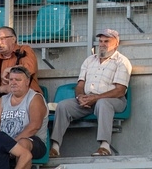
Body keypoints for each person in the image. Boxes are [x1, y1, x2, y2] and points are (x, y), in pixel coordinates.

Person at [50, 29, 132, 158]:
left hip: (113, 100)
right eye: (100, 41)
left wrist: (96, 98)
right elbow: (80, 85)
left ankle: (105, 146)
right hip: (89, 100)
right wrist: (80, 97)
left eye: (106, 41)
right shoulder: (89, 60)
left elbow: (120, 90)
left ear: (116, 44)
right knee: (63, 106)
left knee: (102, 103)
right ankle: (55, 147)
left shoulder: (121, 61)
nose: (102, 44)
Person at [0, 66, 48, 160]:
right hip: (5, 143)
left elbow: (34, 126)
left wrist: (12, 143)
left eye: (17, 80)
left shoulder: (35, 98)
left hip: (32, 141)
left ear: (27, 82)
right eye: (11, 79)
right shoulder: (3, 100)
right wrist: (1, 142)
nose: (13, 83)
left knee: (22, 145)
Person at [0, 27, 39, 101]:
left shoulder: (25, 50)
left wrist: (10, 70)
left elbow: (30, 69)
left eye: (2, 39)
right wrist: (2, 89)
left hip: (28, 98)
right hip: (4, 100)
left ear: (13, 39)